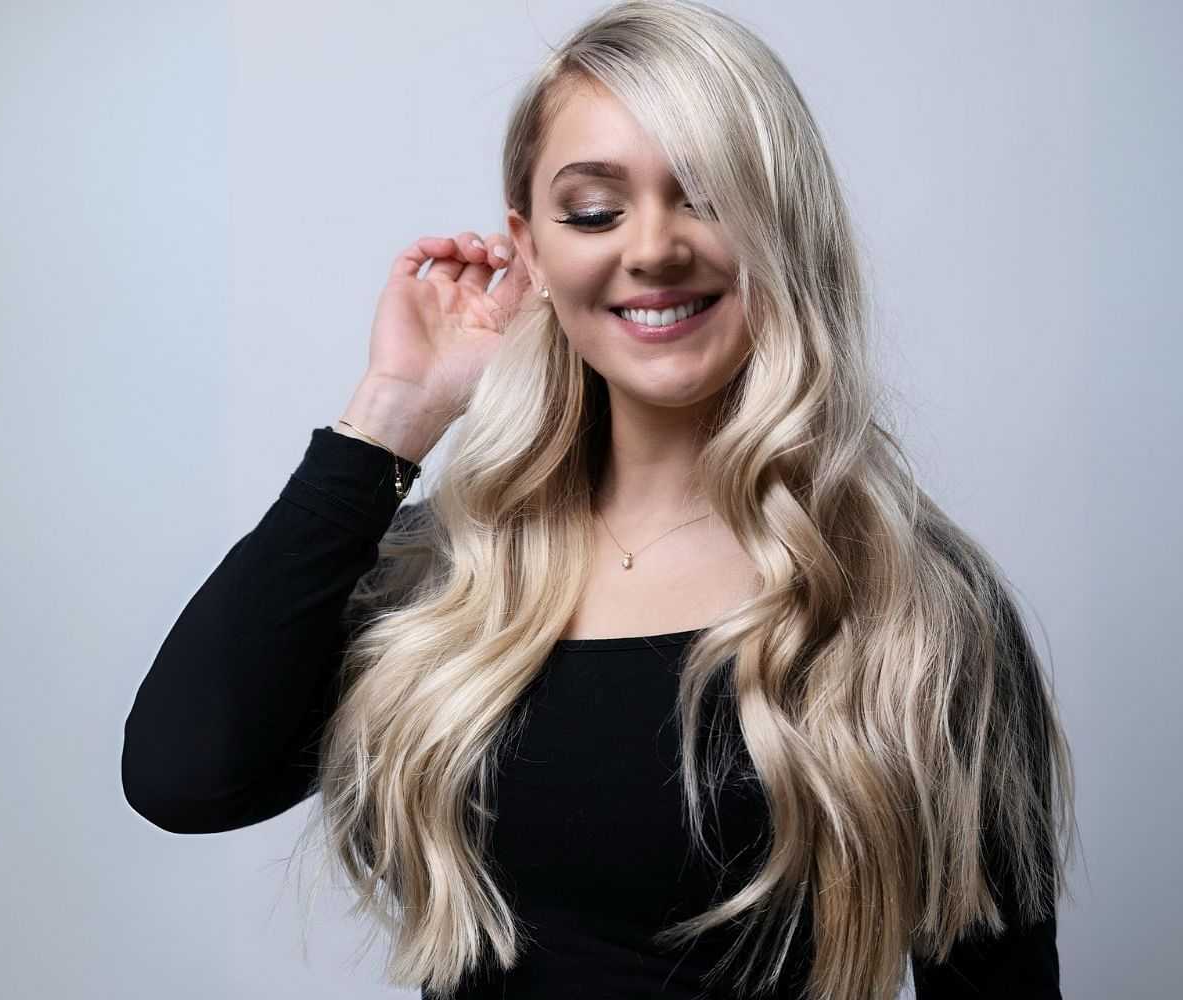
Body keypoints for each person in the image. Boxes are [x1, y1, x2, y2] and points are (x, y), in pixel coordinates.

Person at [122, 1, 1077, 997]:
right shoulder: (442, 578)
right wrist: (391, 420)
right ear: (528, 248)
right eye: (594, 210)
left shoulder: (913, 607)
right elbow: (185, 776)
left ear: (783, 223)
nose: (654, 247)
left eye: (707, 196)